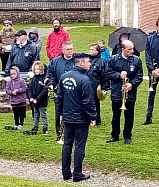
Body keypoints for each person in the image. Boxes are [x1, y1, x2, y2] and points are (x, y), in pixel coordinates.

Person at [57, 53, 96, 182]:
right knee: (79, 145)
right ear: (80, 63)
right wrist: (92, 117)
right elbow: (88, 102)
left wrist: (61, 114)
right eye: (88, 62)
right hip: (80, 118)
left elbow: (59, 98)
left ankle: (66, 173)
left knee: (67, 144)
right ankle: (77, 173)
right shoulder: (85, 80)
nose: (90, 64)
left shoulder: (63, 77)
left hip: (68, 116)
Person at [105, 40, 143, 144]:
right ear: (123, 49)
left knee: (129, 116)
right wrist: (118, 75)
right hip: (117, 92)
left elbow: (139, 76)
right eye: (129, 49)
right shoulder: (113, 59)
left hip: (130, 93)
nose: (132, 51)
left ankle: (127, 136)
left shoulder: (137, 60)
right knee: (116, 116)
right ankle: (114, 135)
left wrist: (132, 84)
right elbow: (108, 73)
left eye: (133, 48)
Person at [46, 41, 75, 144]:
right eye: (67, 49)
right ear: (63, 50)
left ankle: (72, 134)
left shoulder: (77, 61)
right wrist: (51, 84)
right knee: (59, 113)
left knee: (73, 113)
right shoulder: (55, 62)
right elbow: (50, 75)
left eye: (71, 49)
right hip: (60, 93)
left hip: (74, 94)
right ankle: (59, 134)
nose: (70, 51)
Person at [87, 43, 109, 126]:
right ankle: (88, 118)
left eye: (93, 49)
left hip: (96, 85)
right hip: (86, 84)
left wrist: (104, 87)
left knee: (95, 103)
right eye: (90, 49)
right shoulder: (87, 59)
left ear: (97, 51)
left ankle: (97, 119)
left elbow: (105, 75)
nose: (90, 51)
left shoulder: (102, 61)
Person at [25, 61, 49, 135]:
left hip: (42, 102)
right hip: (34, 101)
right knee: (36, 115)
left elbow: (44, 91)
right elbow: (29, 89)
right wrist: (30, 97)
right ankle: (35, 127)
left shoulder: (44, 79)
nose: (36, 71)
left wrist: (37, 99)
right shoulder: (33, 78)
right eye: (35, 69)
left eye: (38, 69)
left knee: (43, 115)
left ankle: (45, 129)